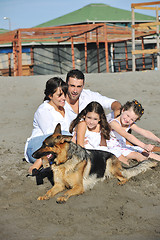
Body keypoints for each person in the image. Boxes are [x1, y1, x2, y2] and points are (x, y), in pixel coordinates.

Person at [24, 77, 71, 173]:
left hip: (56, 146)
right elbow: (51, 137)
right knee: (65, 135)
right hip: (37, 146)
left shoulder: (66, 107)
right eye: (59, 95)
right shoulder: (43, 110)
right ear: (50, 95)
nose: (63, 98)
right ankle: (39, 162)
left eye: (65, 94)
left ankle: (48, 161)